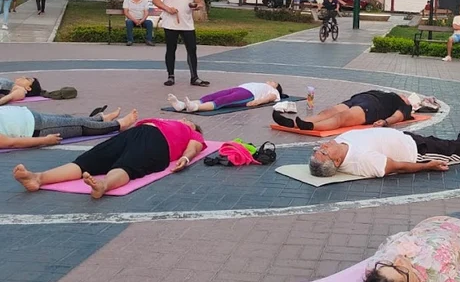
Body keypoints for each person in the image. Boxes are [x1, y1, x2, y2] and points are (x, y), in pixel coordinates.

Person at [13, 118, 205, 199]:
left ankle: (103, 185)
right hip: (135, 133)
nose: (185, 120)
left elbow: (194, 147)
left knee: (128, 165)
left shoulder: (191, 133)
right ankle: (38, 178)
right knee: (88, 160)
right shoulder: (165, 121)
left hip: (159, 143)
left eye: (190, 122)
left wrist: (186, 159)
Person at [308, 126, 460, 178]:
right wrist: (426, 166)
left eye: (320, 149)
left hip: (407, 138)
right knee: (452, 151)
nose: (323, 146)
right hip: (415, 153)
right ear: (335, 161)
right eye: (324, 152)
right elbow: (397, 167)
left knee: (447, 144)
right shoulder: (362, 162)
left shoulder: (339, 143)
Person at [152, 0, 209, 87]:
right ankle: (170, 76)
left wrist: (197, 6)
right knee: (171, 49)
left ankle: (194, 77)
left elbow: (200, 2)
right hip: (170, 23)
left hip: (187, 23)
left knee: (192, 49)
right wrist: (167, 8)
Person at [0, 106, 138, 149]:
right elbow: (10, 142)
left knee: (69, 118)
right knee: (80, 126)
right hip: (35, 128)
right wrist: (44, 140)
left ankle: (100, 119)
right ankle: (118, 125)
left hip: (31, 116)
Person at [273, 89, 413, 131]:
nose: (405, 96)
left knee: (342, 118)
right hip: (358, 99)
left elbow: (398, 116)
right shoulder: (388, 93)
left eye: (408, 97)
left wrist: (385, 122)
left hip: (373, 107)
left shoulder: (405, 106)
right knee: (327, 112)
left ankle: (312, 126)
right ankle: (295, 123)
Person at [168, 80, 283, 113]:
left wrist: (256, 102)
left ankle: (195, 107)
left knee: (223, 100)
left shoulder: (275, 92)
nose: (271, 81)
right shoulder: (262, 84)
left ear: (277, 87)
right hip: (240, 88)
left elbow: (269, 98)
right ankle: (182, 105)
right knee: (212, 95)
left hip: (248, 95)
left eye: (274, 82)